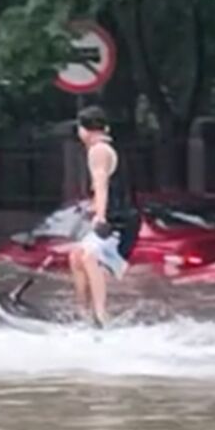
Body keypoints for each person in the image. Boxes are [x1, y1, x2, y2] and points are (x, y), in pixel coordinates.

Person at [66, 106, 140, 327]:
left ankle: (100, 315)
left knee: (89, 256)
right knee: (76, 256)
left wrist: (100, 216)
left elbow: (101, 184)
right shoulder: (106, 148)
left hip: (120, 221)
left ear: (84, 129)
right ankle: (82, 312)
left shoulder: (98, 149)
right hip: (117, 216)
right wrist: (94, 207)